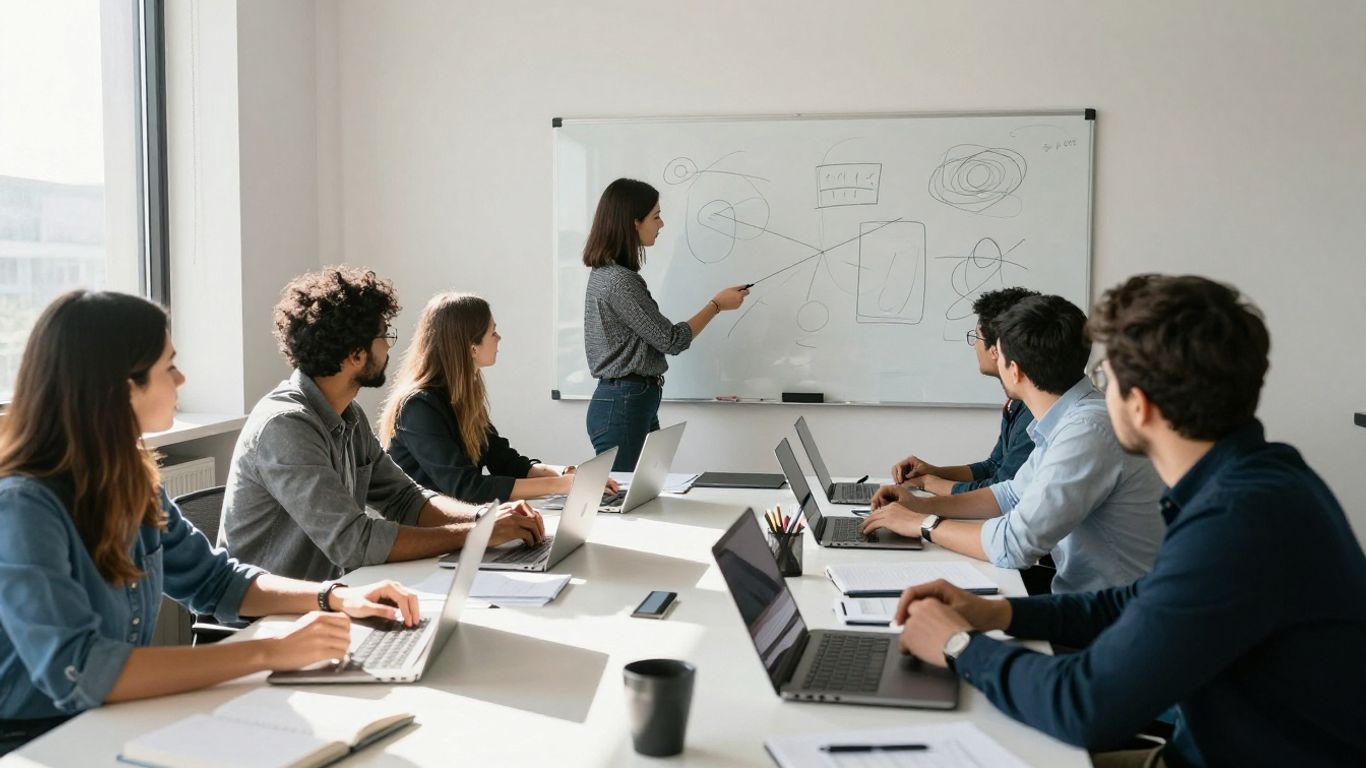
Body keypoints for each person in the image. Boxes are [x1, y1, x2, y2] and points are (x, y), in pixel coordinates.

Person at [891, 274, 1366, 767]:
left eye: (1105, 377)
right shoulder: (1259, 478)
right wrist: (999, 613)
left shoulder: (1236, 521)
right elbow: (1137, 599)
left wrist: (958, 645)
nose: (1097, 391)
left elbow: (1086, 706)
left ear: (1139, 406)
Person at [0, 291, 421, 754]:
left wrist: (335, 597)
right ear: (123, 389)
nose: (181, 379)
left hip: (114, 719)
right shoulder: (22, 508)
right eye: (169, 367)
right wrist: (270, 652)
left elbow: (216, 580)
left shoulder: (129, 479)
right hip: (35, 743)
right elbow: (85, 669)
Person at [220, 268, 545, 582]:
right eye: (384, 335)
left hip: (329, 597)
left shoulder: (349, 415)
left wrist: (485, 518)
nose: (390, 346)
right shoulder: (285, 427)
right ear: (356, 355)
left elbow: (406, 499)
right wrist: (477, 534)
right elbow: (353, 542)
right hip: (267, 613)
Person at [862, 294, 1165, 593]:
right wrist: (918, 505)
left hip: (1112, 610)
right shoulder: (1071, 418)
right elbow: (1010, 495)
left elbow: (1013, 545)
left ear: (1015, 370)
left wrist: (922, 523)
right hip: (1084, 596)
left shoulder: (1087, 431)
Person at [380, 292, 619, 502]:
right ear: (472, 348)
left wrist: (568, 474)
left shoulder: (463, 398)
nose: (499, 338)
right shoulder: (418, 406)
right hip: (427, 531)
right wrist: (561, 486)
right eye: (492, 332)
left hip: (458, 523)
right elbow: (467, 488)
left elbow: (505, 462)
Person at [582, 178, 750, 470]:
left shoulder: (610, 274)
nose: (661, 224)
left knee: (645, 489)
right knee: (625, 494)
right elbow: (671, 340)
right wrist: (716, 305)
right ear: (633, 222)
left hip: (631, 400)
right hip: (624, 404)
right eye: (656, 216)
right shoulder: (620, 281)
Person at [891, 287, 1040, 495]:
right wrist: (933, 472)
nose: (974, 346)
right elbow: (994, 466)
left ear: (997, 349)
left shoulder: (1036, 411)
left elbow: (1001, 489)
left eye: (976, 337)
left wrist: (928, 483)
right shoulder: (1016, 402)